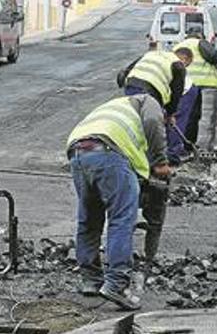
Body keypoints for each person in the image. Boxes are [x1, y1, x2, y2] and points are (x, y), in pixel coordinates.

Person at [66, 94, 172, 310]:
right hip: (109, 153)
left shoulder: (116, 106)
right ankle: (116, 284)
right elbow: (153, 121)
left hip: (78, 153)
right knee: (121, 220)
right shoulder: (148, 101)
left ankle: (91, 280)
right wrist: (160, 162)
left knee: (89, 219)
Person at [170, 32, 217, 158]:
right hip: (206, 83)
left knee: (188, 117)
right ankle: (205, 149)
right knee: (207, 119)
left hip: (185, 85)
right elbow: (215, 57)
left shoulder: (177, 47)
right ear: (200, 37)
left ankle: (186, 146)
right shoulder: (200, 43)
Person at [117, 48, 193, 118]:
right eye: (187, 65)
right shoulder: (178, 65)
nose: (185, 67)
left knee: (132, 116)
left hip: (131, 86)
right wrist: (169, 115)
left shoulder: (151, 54)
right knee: (151, 126)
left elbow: (127, 70)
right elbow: (176, 93)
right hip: (150, 93)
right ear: (184, 59)